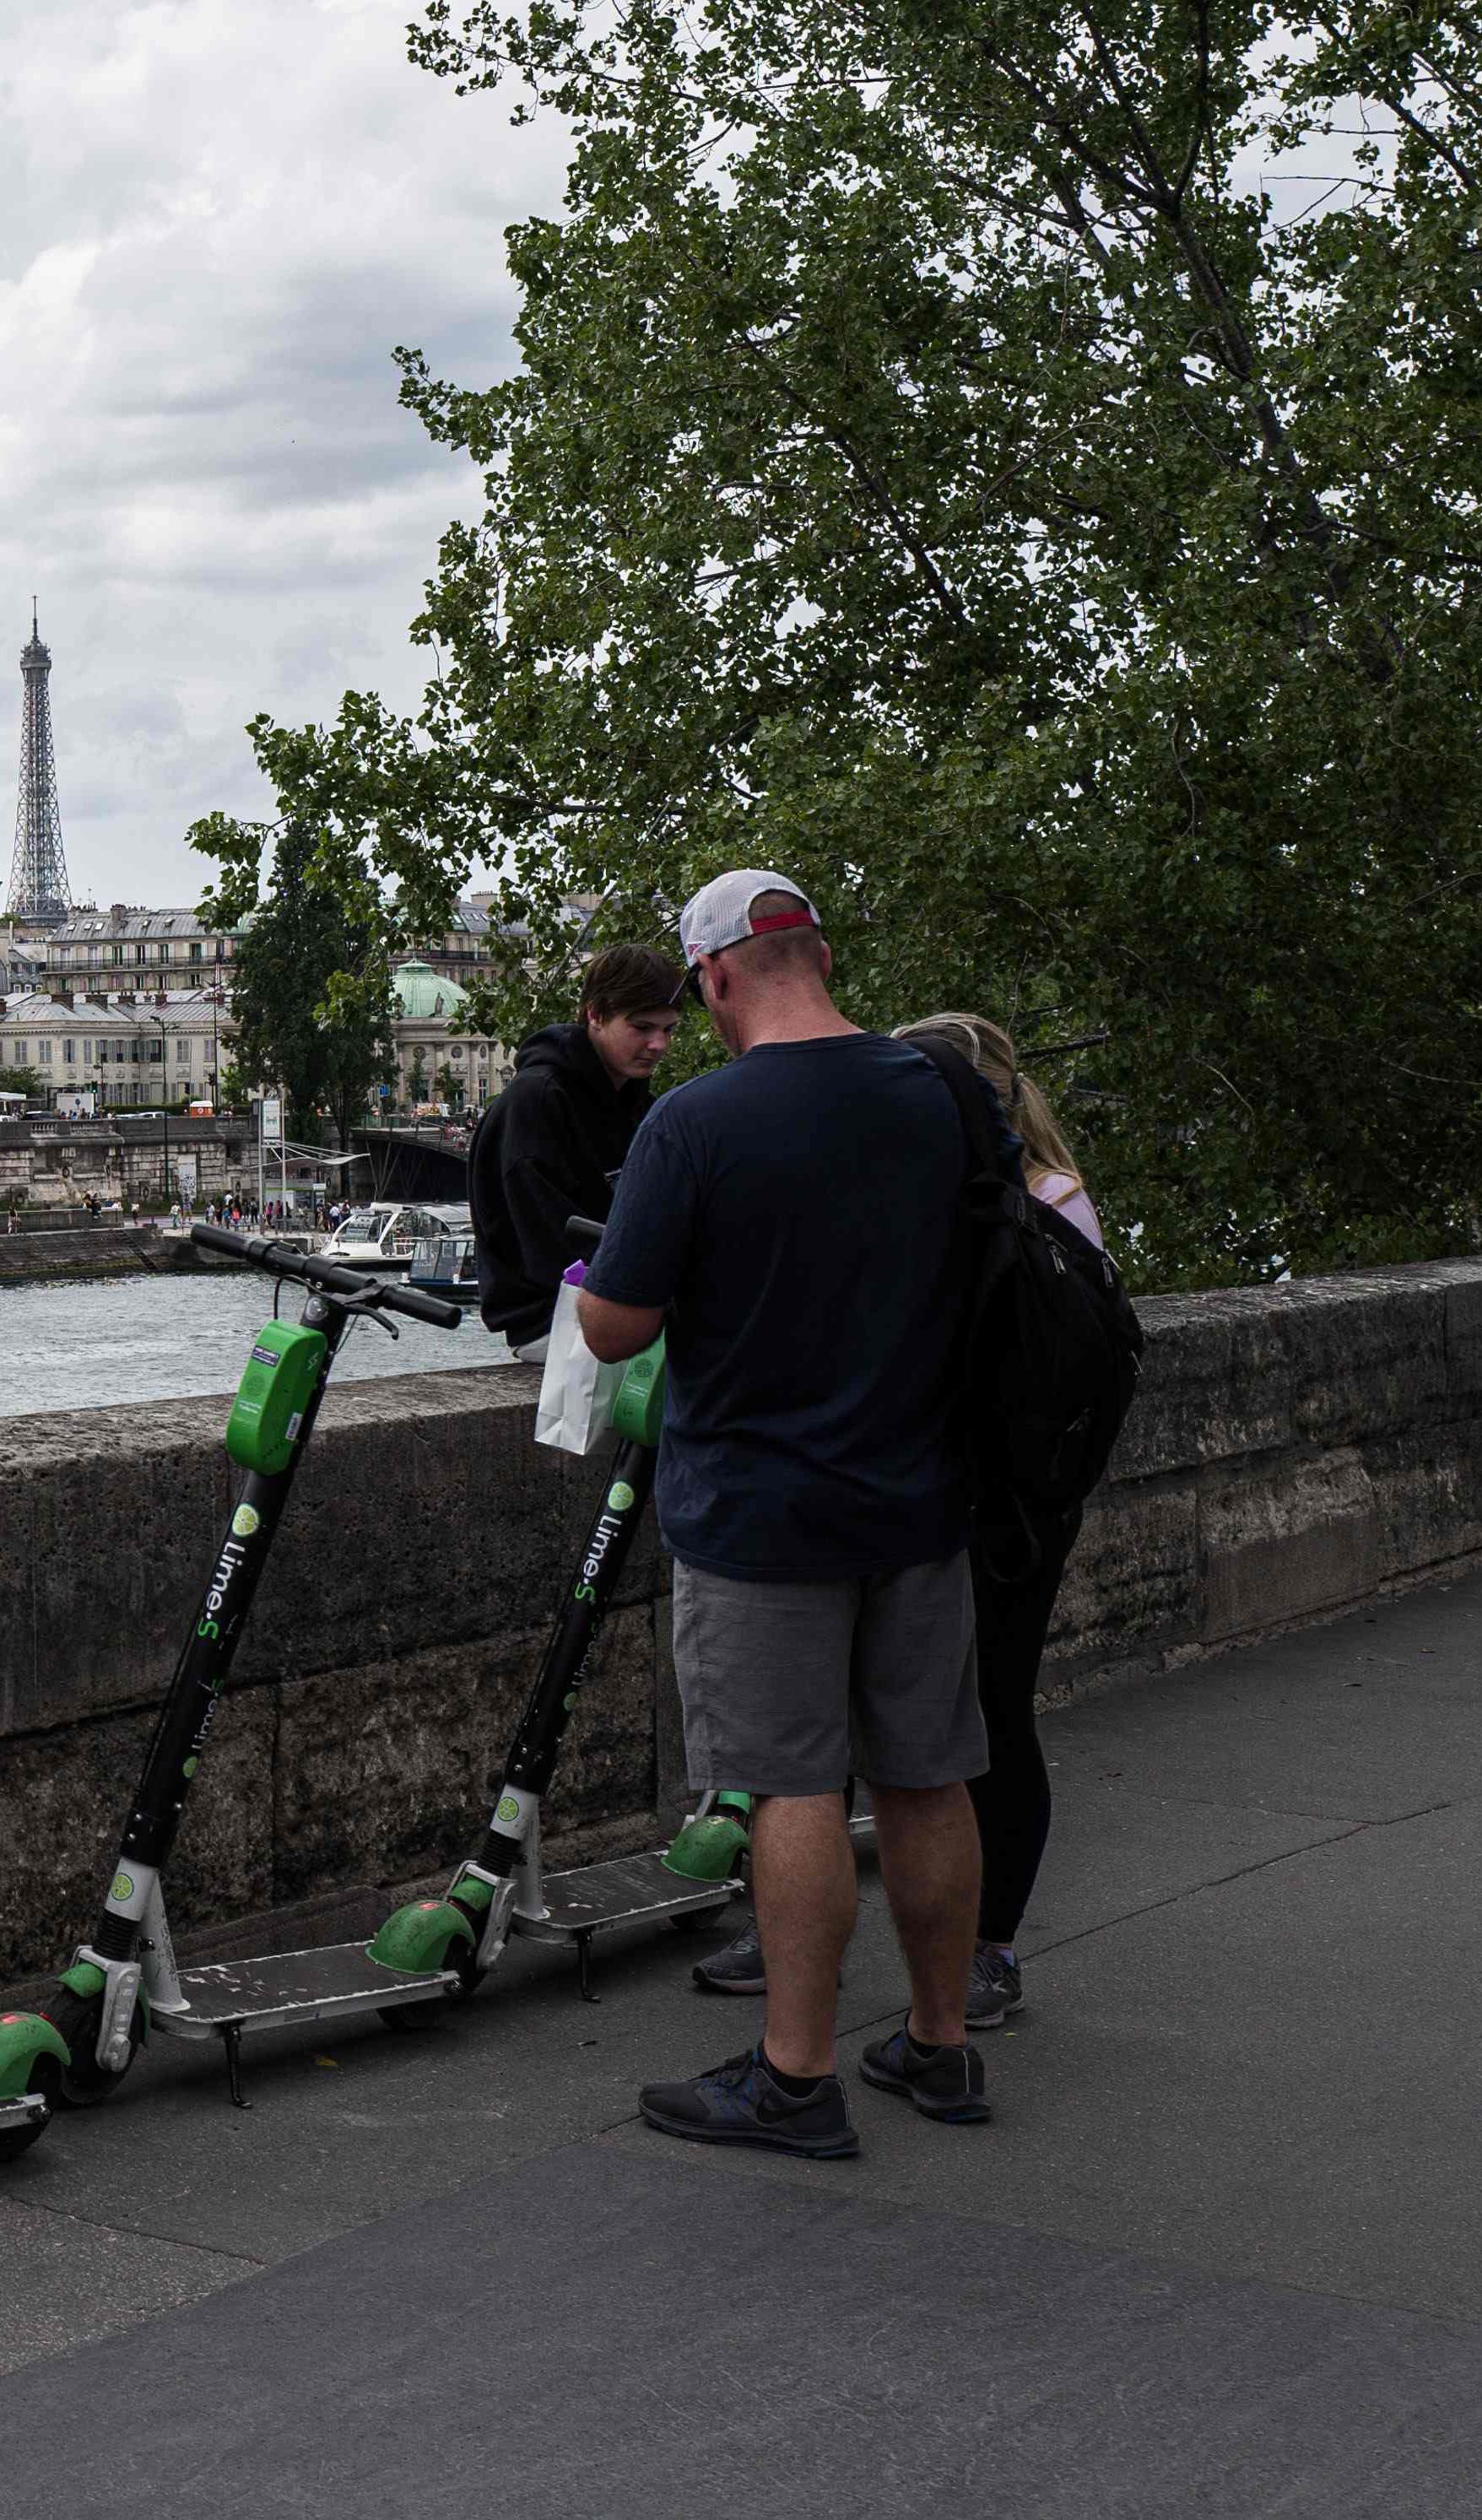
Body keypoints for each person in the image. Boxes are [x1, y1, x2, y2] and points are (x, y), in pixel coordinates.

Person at [577, 871, 995, 2154]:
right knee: (929, 1774)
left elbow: (618, 1323)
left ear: (711, 978)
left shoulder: (695, 1122)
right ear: (817, 952)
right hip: (921, 1490)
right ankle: (940, 2044)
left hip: (763, 1510)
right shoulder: (945, 1092)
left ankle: (795, 2074)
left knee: (792, 1785)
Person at [895, 1009, 1102, 2031]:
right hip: (1032, 1497)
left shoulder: (1010, 1210)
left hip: (987, 1498)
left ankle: (988, 1945)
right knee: (979, 1714)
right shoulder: (1059, 1201)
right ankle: (978, 1947)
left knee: (983, 1718)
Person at [468, 942, 684, 1360]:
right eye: (642, 1028)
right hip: (557, 1322)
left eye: (669, 1029)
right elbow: (552, 1244)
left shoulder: (636, 1101)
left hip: (613, 1310)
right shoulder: (536, 1103)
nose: (659, 1044)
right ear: (595, 1015)